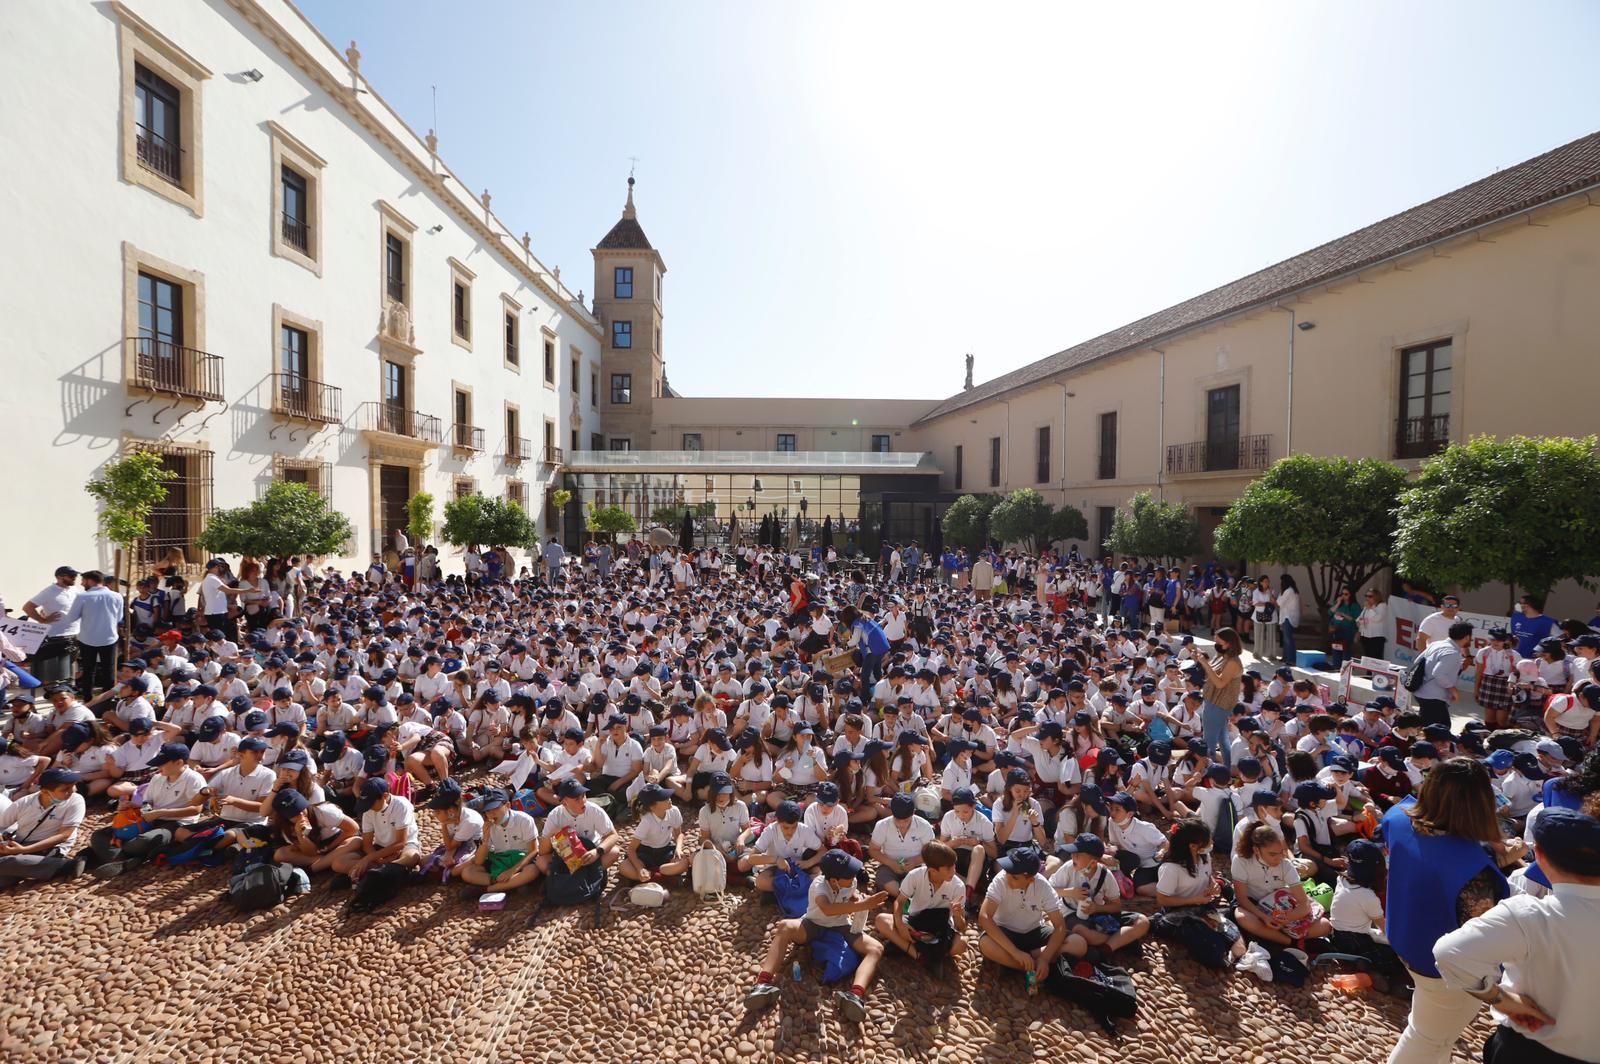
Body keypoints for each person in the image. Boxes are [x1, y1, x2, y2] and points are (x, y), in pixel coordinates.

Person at [1433, 808, 1600, 1064]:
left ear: (1540, 856)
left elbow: (1449, 953)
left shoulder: (1529, 914)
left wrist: (1502, 1000)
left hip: (1528, 1050)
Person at [1382, 758, 1517, 1064]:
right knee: (1428, 1037)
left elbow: (1430, 859)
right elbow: (1483, 938)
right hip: (1446, 970)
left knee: (1434, 1035)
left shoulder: (1396, 818)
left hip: (1406, 937)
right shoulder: (1474, 870)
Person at [743, 847, 888, 1022]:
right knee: (784, 927)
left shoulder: (851, 882)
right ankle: (762, 983)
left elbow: (850, 895)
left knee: (876, 948)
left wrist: (856, 898)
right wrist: (864, 905)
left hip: (841, 926)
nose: (853, 878)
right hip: (812, 924)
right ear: (834, 880)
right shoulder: (818, 886)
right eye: (848, 876)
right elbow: (827, 908)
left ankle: (855, 995)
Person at [977, 845, 1075, 991]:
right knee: (985, 944)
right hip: (1006, 933)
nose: (1008, 877)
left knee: (1077, 943)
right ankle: (1030, 967)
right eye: (1008, 870)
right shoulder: (1001, 879)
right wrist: (1015, 952)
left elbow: (1060, 926)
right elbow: (984, 917)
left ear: (1030, 879)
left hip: (1034, 931)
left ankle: (1016, 963)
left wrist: (1045, 958)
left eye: (1015, 876)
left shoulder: (1043, 886)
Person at [874, 840, 970, 965]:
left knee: (961, 944)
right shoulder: (916, 875)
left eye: (954, 866)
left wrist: (958, 916)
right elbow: (900, 901)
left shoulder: (958, 886)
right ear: (932, 870)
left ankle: (909, 948)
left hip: (940, 929)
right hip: (915, 922)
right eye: (948, 868)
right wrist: (900, 924)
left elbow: (961, 927)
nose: (953, 871)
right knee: (881, 920)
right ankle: (919, 955)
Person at [0, 767, 87, 887]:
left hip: (51, 847)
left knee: (12, 861)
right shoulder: (24, 803)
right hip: (20, 844)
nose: (73, 790)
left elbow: (64, 835)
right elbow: (1, 825)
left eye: (74, 785)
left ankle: (66, 865)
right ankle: (33, 867)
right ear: (45, 791)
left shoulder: (76, 801)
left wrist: (24, 850)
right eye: (65, 789)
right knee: (5, 876)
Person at [459, 788, 542, 892]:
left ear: (507, 806)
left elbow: (533, 851)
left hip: (523, 859)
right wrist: (485, 839)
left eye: (495, 808)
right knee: (468, 872)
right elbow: (479, 861)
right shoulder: (489, 826)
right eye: (488, 811)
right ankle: (511, 884)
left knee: (532, 871)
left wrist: (512, 871)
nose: (491, 814)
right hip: (499, 861)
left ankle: (489, 889)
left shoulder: (524, 820)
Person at [59, 570, 123, 702]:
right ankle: (107, 700)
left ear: (90, 581)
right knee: (109, 670)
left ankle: (88, 699)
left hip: (87, 639)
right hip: (109, 638)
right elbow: (119, 617)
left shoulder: (83, 597)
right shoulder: (117, 596)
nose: (82, 584)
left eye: (83, 581)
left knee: (89, 670)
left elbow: (72, 618)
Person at [1194, 628, 1244, 767]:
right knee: (1222, 739)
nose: (1215, 643)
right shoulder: (1222, 656)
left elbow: (1220, 683)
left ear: (1229, 643)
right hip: (1212, 701)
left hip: (1219, 704)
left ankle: (1209, 771)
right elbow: (1211, 672)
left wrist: (1204, 663)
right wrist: (1199, 659)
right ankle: (1228, 767)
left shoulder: (1233, 662)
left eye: (1218, 641)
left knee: (1209, 742)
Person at [1411, 621, 1473, 731]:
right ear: (1467, 637)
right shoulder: (1452, 652)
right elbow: (1439, 673)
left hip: (1421, 692)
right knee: (1439, 731)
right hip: (1433, 698)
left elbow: (1417, 661)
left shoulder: (1436, 644)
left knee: (1427, 729)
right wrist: (1453, 690)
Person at [23, 567, 80, 686]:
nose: (74, 578)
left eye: (75, 575)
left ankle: (68, 687)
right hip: (56, 635)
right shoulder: (49, 591)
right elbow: (28, 607)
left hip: (76, 633)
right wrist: (42, 620)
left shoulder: (75, 589)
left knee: (70, 664)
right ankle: (53, 689)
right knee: (54, 669)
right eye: (71, 576)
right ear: (59, 577)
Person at [1358, 588, 1389, 661]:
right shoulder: (1367, 607)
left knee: (1375, 659)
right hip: (1366, 635)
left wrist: (1370, 608)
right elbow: (1360, 617)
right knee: (1367, 659)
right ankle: (1369, 672)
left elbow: (1377, 618)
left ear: (1376, 597)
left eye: (1370, 596)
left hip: (1376, 637)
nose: (1367, 598)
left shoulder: (1382, 606)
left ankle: (1376, 673)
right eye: (1366, 596)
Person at [1277, 573, 1302, 664]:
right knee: (1286, 638)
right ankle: (1286, 657)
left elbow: (1279, 603)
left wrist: (1274, 598)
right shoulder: (1293, 591)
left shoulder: (1288, 591)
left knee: (1288, 638)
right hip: (1288, 616)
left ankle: (1291, 659)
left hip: (1288, 617)